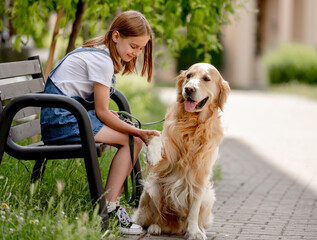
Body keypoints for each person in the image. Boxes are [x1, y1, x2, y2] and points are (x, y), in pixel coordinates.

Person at [40, 10, 160, 235]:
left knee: (131, 136)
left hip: (67, 115)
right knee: (134, 140)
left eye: (141, 48)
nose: (136, 53)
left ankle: (109, 206)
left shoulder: (101, 50)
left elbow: (87, 100)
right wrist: (138, 131)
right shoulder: (102, 60)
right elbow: (102, 112)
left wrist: (106, 115)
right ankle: (108, 210)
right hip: (61, 121)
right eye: (133, 46)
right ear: (116, 36)